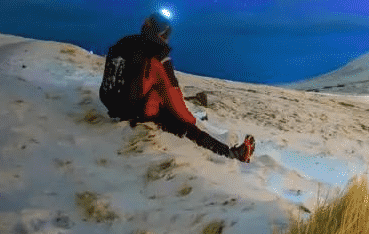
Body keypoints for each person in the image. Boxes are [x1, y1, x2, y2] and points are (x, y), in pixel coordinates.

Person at [99, 12, 256, 162]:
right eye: (166, 35)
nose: (167, 40)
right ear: (160, 34)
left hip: (113, 105)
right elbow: (173, 97)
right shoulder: (157, 57)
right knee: (183, 124)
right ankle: (232, 155)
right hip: (136, 111)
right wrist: (191, 121)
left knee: (159, 100)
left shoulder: (127, 43)